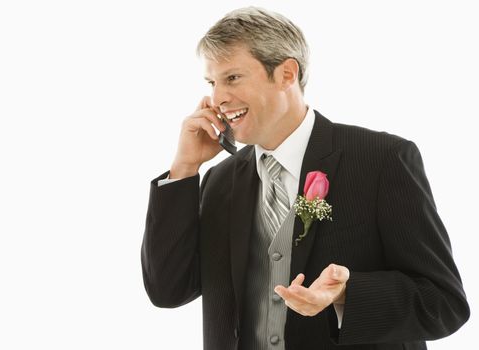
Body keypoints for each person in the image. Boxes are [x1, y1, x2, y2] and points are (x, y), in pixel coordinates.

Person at [141, 6, 469, 350]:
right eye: (212, 81)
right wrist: (184, 169)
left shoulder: (382, 160)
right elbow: (168, 291)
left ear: (286, 74)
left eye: (232, 77)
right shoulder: (220, 180)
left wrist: (346, 294)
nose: (218, 97)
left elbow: (443, 303)